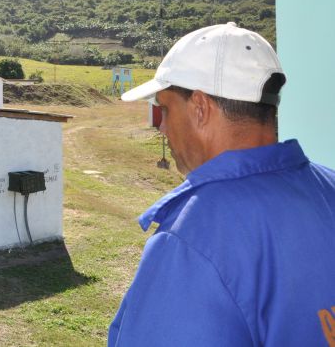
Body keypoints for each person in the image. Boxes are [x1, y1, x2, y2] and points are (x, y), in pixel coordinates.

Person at [109, 22, 335, 346]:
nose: (162, 128)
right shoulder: (328, 189)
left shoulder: (193, 239)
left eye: (165, 110)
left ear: (200, 108)